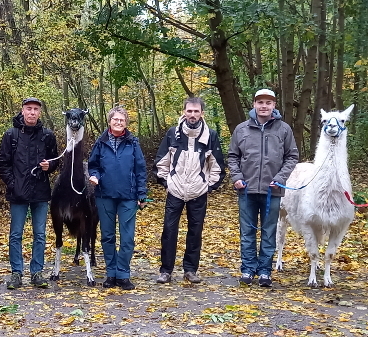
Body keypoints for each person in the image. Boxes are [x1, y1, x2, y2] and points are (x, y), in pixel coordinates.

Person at [227, 89, 299, 288]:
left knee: (269, 232)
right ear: (254, 105)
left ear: (274, 105)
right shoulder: (242, 129)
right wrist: (237, 177)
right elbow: (233, 156)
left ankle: (265, 271)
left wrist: (280, 177)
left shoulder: (283, 130)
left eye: (268, 102)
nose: (264, 106)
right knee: (247, 232)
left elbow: (292, 156)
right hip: (246, 189)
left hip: (272, 190)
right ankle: (248, 269)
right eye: (260, 102)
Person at [154, 97, 226, 284]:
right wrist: (167, 182)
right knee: (169, 231)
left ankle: (190, 270)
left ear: (202, 113)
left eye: (196, 111)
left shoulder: (210, 135)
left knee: (195, 232)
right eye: (189, 111)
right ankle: (166, 271)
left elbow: (217, 164)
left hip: (198, 192)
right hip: (175, 190)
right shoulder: (172, 133)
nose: (192, 115)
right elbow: (162, 161)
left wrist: (208, 186)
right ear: (183, 112)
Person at [0, 97, 59, 290]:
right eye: (29, 109)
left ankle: (37, 272)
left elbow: (55, 160)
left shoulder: (47, 135)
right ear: (22, 111)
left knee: (39, 234)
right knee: (16, 234)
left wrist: (50, 166)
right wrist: (13, 184)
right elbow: (2, 163)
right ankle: (16, 273)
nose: (32, 112)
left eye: (35, 109)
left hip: (40, 191)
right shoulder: (11, 135)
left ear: (39, 112)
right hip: (18, 193)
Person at [88, 106, 147, 291]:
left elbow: (140, 169)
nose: (119, 122)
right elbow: (93, 165)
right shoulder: (100, 142)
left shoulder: (133, 142)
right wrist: (95, 176)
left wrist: (142, 193)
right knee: (107, 236)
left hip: (128, 196)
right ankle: (111, 273)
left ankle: (123, 274)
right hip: (105, 195)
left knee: (127, 238)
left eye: (122, 120)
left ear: (126, 123)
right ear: (109, 121)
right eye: (116, 119)